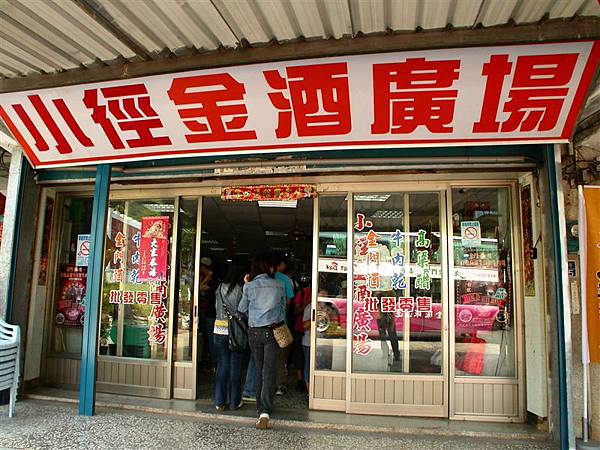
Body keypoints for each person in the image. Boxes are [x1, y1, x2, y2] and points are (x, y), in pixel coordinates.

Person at [238, 254, 285, 430]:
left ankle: (260, 408)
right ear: (270, 268)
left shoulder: (249, 286)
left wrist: (246, 286)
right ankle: (265, 410)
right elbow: (281, 312)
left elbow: (241, 309)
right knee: (269, 370)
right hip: (272, 331)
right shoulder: (279, 285)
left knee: (258, 368)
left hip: (254, 332)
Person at [213, 259, 246, 411]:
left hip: (219, 329)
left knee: (222, 365)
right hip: (236, 330)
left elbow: (216, 307)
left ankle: (219, 402)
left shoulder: (219, 287)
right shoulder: (240, 289)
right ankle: (234, 402)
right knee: (235, 366)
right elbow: (243, 310)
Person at [272, 253, 294, 396]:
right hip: (280, 324)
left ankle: (264, 385)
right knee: (280, 356)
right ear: (281, 264)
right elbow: (289, 300)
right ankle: (280, 385)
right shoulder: (285, 279)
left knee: (265, 356)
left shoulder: (262, 278)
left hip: (262, 325)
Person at [198, 257, 217, 369]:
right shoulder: (204, 278)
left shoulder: (213, 281)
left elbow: (199, 288)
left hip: (211, 314)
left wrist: (207, 277)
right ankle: (210, 361)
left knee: (211, 339)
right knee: (207, 338)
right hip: (205, 313)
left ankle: (213, 363)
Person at [302, 300, 312, 393]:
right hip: (309, 342)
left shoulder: (328, 308)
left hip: (321, 342)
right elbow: (304, 325)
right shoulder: (310, 308)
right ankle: (309, 391)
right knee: (308, 367)